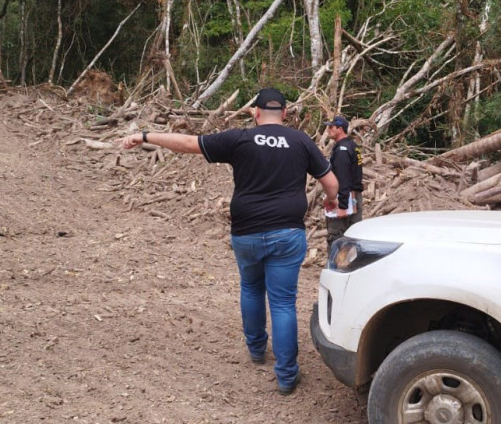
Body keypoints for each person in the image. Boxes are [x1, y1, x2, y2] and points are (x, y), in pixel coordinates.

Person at [119, 88, 338, 396]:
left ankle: (257, 349)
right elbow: (330, 182)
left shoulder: (240, 138)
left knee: (251, 287)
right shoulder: (301, 141)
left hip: (246, 232)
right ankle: (287, 376)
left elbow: (187, 143)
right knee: (283, 302)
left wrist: (145, 135)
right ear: (285, 114)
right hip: (287, 233)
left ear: (256, 113)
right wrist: (331, 202)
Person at [323, 115, 363, 246]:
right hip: (354, 197)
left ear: (340, 129)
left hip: (344, 197)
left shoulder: (342, 150)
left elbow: (343, 178)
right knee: (354, 235)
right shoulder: (353, 146)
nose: (328, 130)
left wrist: (342, 206)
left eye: (331, 127)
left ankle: (336, 265)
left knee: (336, 236)